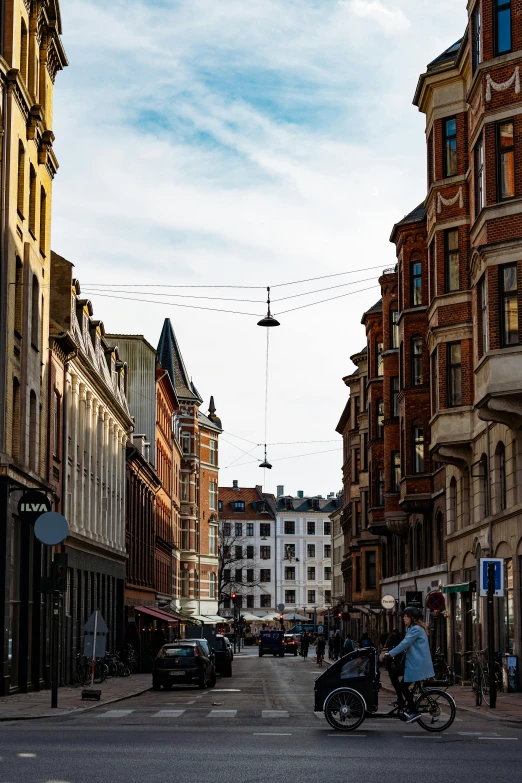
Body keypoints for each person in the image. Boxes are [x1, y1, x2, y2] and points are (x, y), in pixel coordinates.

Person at [387, 607, 435, 724]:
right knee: (393, 673)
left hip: (416, 665)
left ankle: (414, 712)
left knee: (403, 686)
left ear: (412, 618)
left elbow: (405, 643)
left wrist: (390, 653)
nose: (403, 618)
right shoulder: (413, 628)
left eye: (406, 616)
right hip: (413, 663)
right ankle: (401, 700)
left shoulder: (416, 629)